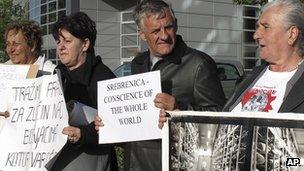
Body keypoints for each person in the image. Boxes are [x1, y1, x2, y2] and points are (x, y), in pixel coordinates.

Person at [158, 0, 304, 170]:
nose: (256, 34)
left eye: (266, 27)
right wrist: (179, 118)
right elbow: (219, 126)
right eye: (257, 27)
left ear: (292, 34)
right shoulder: (253, 76)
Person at [95, 0, 226, 170]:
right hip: (134, 164)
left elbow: (221, 119)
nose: (164, 35)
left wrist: (180, 109)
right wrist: (109, 124)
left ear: (176, 26)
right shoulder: (138, 63)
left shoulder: (199, 64)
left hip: (172, 164)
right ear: (142, 34)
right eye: (156, 30)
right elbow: (135, 120)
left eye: (169, 27)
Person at [50, 12, 117, 171]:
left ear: (85, 44)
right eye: (58, 41)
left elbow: (117, 125)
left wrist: (82, 134)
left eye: (67, 41)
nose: (61, 46)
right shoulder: (56, 75)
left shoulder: (104, 78)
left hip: (94, 160)